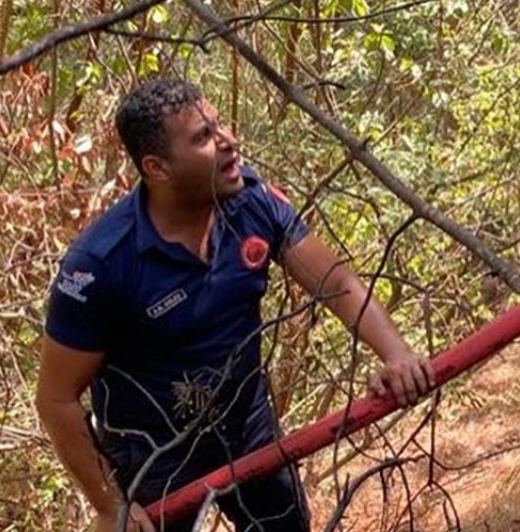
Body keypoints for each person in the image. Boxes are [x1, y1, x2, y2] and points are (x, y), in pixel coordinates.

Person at [35, 78, 435, 532]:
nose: (229, 141)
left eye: (218, 124)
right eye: (203, 138)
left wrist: (395, 352)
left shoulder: (252, 202)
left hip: (249, 431)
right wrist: (110, 506)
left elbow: (335, 279)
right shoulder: (101, 265)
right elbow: (55, 398)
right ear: (157, 167)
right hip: (153, 462)